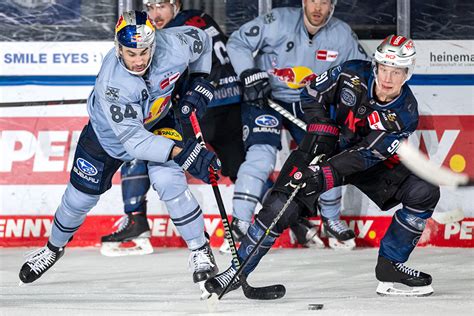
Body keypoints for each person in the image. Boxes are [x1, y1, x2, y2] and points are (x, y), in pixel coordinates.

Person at [203, 34, 440, 298]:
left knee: (424, 191)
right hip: (325, 145)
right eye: (384, 69)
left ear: (408, 74)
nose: (387, 79)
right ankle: (237, 272)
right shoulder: (351, 72)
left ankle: (390, 265)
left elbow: (366, 155)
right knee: (281, 207)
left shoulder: (405, 112)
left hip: (366, 163)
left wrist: (322, 174)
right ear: (376, 66)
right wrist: (320, 126)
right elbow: (311, 92)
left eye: (396, 72)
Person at [18, 10, 221, 289]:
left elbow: (203, 40)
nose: (138, 60)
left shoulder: (174, 44)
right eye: (130, 53)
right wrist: (184, 154)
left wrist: (199, 81)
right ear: (118, 48)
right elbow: (135, 142)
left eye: (144, 52)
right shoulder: (112, 83)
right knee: (78, 200)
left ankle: (200, 249)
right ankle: (52, 248)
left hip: (159, 120)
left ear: (154, 43)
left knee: (168, 181)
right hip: (108, 138)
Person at [100, 0, 246, 257]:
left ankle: (136, 219)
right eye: (151, 7)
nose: (155, 14)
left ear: (176, 7)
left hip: (202, 106)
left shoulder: (170, 34)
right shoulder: (198, 19)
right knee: (236, 166)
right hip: (228, 99)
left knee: (143, 150)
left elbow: (172, 74)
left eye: (162, 6)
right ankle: (274, 220)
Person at [225, 0, 368, 251]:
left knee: (326, 157)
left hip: (309, 102)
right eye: (313, 0)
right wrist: (248, 73)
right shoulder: (278, 21)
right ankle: (240, 223)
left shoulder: (342, 35)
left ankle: (331, 220)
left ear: (333, 6)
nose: (318, 8)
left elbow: (363, 72)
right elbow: (238, 41)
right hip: (264, 97)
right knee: (261, 156)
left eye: (325, 2)